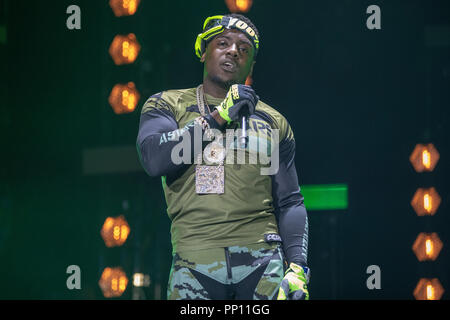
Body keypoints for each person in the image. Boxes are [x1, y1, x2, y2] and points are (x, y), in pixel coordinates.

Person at [136, 13, 309, 300]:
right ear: (203, 52)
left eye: (244, 50)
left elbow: (290, 201)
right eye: (223, 43)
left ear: (251, 65)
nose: (233, 52)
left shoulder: (273, 121)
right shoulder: (168, 103)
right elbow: (155, 160)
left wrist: (298, 267)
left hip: (264, 263)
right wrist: (218, 117)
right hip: (194, 262)